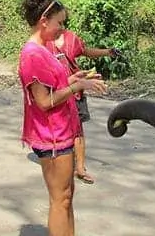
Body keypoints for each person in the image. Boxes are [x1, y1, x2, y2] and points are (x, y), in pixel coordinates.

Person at [18, 0, 107, 236]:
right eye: (60, 23)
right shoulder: (33, 54)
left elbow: (54, 85)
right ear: (43, 21)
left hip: (61, 131)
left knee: (67, 196)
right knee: (60, 199)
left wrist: (72, 78)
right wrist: (77, 86)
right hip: (51, 135)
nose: (62, 29)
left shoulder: (45, 48)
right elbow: (44, 101)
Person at [45, 23, 120, 185]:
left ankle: (80, 168)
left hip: (75, 92)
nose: (58, 25)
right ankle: (57, 165)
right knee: (56, 129)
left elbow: (86, 51)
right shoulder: (43, 42)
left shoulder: (72, 39)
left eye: (60, 21)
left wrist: (107, 52)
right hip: (56, 93)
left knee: (78, 131)